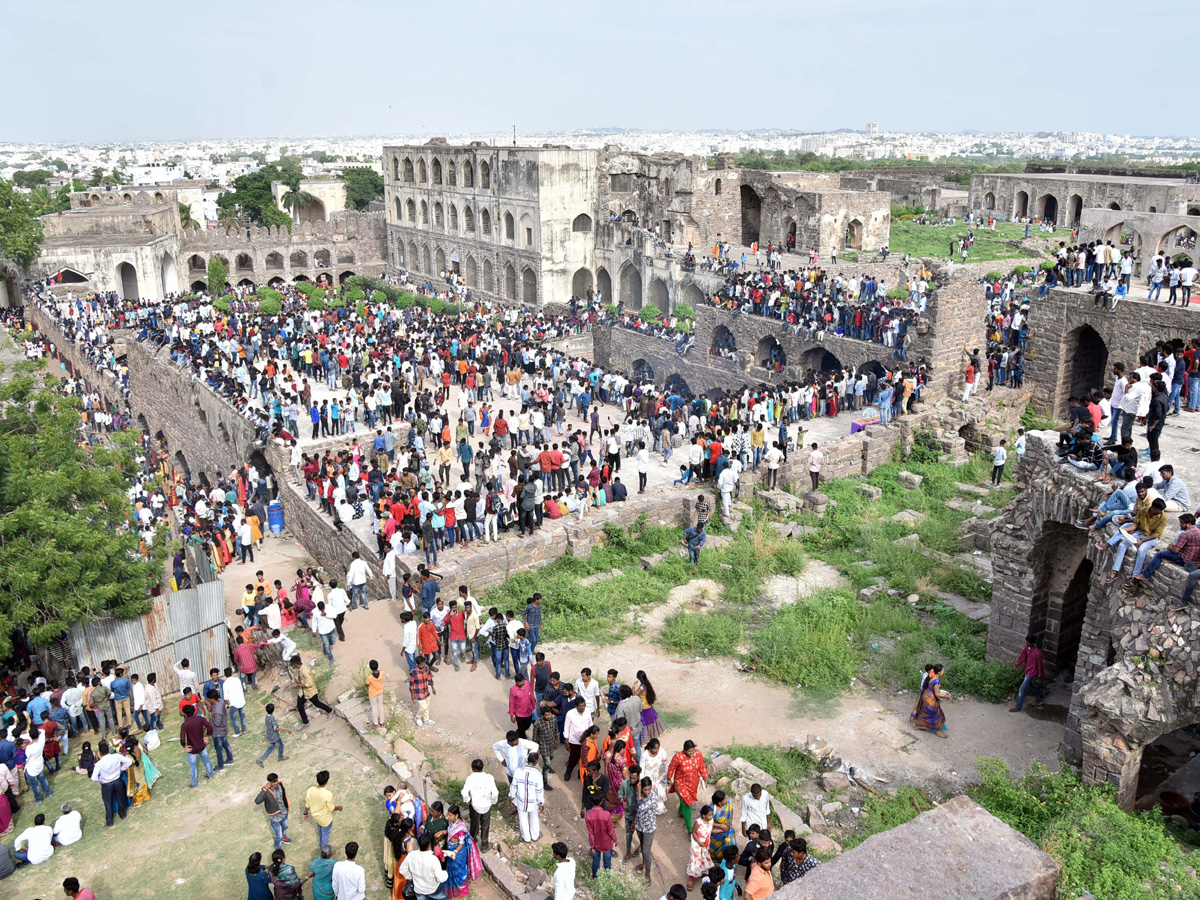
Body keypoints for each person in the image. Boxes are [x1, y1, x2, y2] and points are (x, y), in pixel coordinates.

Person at [667, 740, 709, 833]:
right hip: (681, 784)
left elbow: (702, 766)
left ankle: (681, 812)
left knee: (687, 800)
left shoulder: (698, 754)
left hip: (693, 784)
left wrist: (705, 778)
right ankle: (690, 829)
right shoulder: (678, 757)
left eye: (693, 751)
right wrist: (669, 779)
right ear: (684, 750)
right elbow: (671, 767)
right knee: (688, 804)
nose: (692, 753)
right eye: (690, 752)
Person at [444, 804, 483, 897]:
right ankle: (452, 889)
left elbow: (461, 844)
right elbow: (449, 832)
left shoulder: (461, 828)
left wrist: (455, 852)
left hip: (458, 853)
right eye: (448, 815)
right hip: (451, 851)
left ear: (456, 816)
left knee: (459, 871)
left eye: (451, 815)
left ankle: (461, 890)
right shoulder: (451, 823)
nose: (448, 817)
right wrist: (442, 832)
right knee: (451, 870)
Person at [90, 740, 133, 826]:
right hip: (117, 781)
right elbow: (129, 761)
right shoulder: (116, 756)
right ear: (109, 750)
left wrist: (99, 780)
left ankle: (109, 821)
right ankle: (122, 814)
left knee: (108, 802)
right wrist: (121, 769)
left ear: (100, 753)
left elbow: (93, 778)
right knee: (121, 798)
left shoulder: (99, 764)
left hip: (106, 784)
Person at [461, 758, 499, 851]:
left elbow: (464, 792)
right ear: (482, 767)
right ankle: (484, 845)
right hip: (486, 804)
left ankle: (472, 843)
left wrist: (468, 800)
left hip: (475, 805)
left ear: (472, 768)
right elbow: (495, 793)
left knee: (474, 824)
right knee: (485, 825)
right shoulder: (489, 777)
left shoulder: (470, 778)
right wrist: (492, 801)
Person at [510, 751, 545, 843]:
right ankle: (535, 836)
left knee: (523, 819)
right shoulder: (538, 775)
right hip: (533, 802)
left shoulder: (518, 771)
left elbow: (513, 786)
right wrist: (541, 803)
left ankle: (526, 838)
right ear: (536, 762)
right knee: (534, 817)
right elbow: (539, 791)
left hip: (521, 801)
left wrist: (511, 797)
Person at [399, 833, 448, 900]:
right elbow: (440, 878)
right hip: (434, 889)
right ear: (429, 846)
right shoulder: (433, 859)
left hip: (419, 890)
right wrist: (445, 873)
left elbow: (402, 869)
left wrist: (410, 877)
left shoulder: (411, 855)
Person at [910, 663, 951, 737]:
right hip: (931, 700)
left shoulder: (931, 676)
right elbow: (937, 694)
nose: (943, 671)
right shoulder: (936, 681)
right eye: (943, 670)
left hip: (926, 697)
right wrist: (947, 696)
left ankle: (919, 725)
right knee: (936, 715)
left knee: (924, 713)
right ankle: (937, 731)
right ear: (939, 672)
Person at [305, 770, 343, 848]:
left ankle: (322, 842)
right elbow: (331, 808)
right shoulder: (327, 794)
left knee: (320, 828)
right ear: (327, 781)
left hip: (316, 816)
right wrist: (338, 808)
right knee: (325, 833)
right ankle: (324, 850)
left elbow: (307, 804)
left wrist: (305, 813)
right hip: (325, 819)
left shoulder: (310, 790)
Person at [1008, 636, 1045, 713]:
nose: (1026, 643)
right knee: (1030, 685)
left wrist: (1040, 677)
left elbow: (1040, 665)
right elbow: (1022, 657)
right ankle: (1040, 694)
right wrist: (1016, 665)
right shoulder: (1027, 649)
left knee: (1022, 689)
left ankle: (1018, 707)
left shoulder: (1037, 653)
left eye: (1028, 642)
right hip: (1027, 670)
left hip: (1032, 673)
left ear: (1032, 643)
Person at [256, 772, 291, 849]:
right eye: (272, 782)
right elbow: (257, 801)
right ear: (269, 782)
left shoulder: (281, 785)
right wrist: (265, 788)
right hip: (275, 817)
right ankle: (278, 849)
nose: (275, 784)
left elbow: (284, 796)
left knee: (285, 827)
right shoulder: (266, 791)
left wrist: (287, 807)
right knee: (278, 835)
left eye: (275, 781)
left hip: (284, 812)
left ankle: (284, 838)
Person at [686, 804, 715, 890]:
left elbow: (710, 830)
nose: (711, 816)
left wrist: (721, 828)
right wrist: (699, 842)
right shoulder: (698, 822)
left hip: (706, 843)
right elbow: (693, 832)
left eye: (712, 814)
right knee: (696, 859)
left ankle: (704, 873)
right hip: (697, 843)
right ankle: (691, 878)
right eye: (709, 815)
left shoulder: (711, 821)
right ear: (703, 815)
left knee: (705, 857)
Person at [585, 799, 616, 877]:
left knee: (595, 861)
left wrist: (592, 845)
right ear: (601, 802)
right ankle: (607, 880)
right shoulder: (606, 814)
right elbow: (610, 830)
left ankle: (595, 878)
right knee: (607, 862)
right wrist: (615, 839)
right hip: (606, 843)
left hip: (596, 844)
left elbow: (590, 833)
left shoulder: (588, 815)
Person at [409, 655, 437, 727]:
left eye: (424, 663)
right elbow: (411, 684)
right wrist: (412, 695)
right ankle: (417, 717)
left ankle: (426, 719)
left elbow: (429, 678)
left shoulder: (427, 668)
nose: (423, 665)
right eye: (421, 664)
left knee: (427, 706)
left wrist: (433, 688)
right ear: (417, 664)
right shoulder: (413, 672)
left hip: (426, 691)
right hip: (418, 692)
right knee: (423, 707)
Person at [709, 790, 737, 857]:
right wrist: (721, 825)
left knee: (730, 845)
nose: (726, 800)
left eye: (725, 798)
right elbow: (707, 822)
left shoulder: (728, 803)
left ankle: (729, 861)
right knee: (715, 850)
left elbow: (731, 810)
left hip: (728, 830)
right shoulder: (711, 809)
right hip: (716, 831)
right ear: (719, 803)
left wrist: (730, 822)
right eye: (724, 800)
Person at [366, 660, 386, 727]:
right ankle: (382, 722)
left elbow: (366, 684)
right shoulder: (382, 673)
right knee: (380, 706)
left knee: (374, 707)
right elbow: (381, 671)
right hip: (380, 691)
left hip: (372, 693)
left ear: (370, 668)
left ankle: (375, 723)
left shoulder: (370, 677)